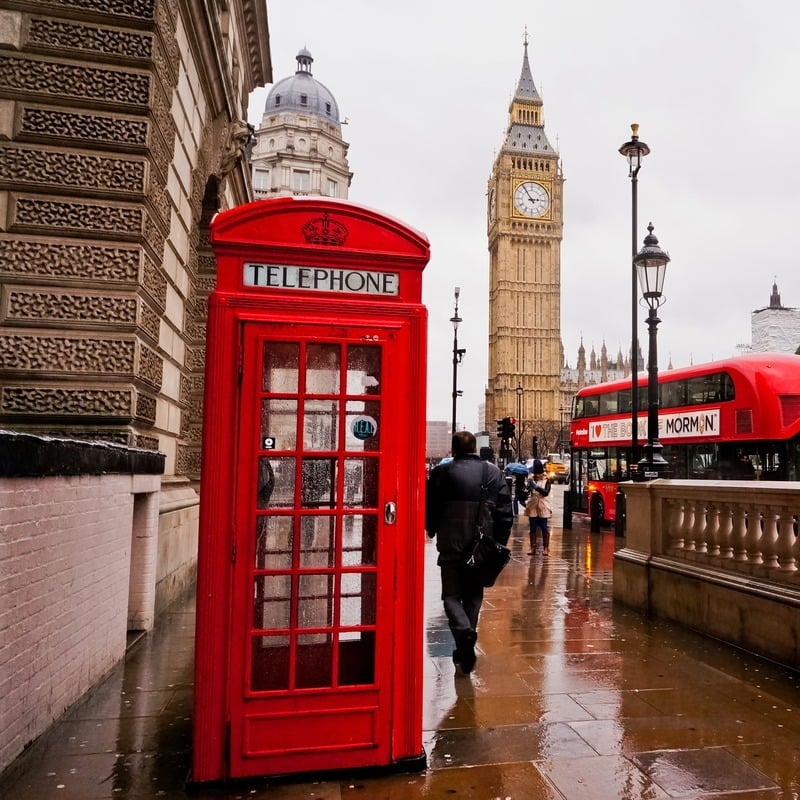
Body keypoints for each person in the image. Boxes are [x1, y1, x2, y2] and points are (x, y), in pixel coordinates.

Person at [426, 431, 513, 674]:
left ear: (453, 450)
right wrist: (498, 544)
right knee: (473, 598)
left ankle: (464, 639)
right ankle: (465, 643)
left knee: (451, 597)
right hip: (480, 547)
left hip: (451, 544)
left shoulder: (442, 472)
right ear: (475, 448)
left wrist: (431, 529)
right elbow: (506, 514)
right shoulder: (493, 472)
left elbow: (430, 507)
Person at [525, 459, 552, 556]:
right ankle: (533, 547)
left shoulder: (546, 480)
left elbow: (546, 492)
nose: (537, 476)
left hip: (542, 505)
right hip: (533, 505)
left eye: (538, 474)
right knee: (532, 527)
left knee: (544, 527)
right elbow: (527, 492)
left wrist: (536, 487)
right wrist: (528, 488)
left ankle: (546, 548)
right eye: (535, 474)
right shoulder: (531, 479)